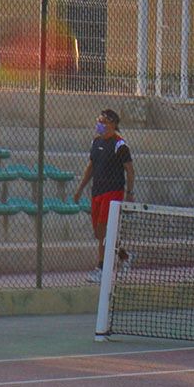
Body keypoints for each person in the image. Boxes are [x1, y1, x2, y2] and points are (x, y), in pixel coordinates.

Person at [73, 107, 135, 283]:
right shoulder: (96, 142)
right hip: (97, 192)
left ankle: (101, 269)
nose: (99, 125)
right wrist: (80, 189)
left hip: (113, 192)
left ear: (113, 125)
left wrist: (130, 193)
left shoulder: (120, 145)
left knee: (103, 230)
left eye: (103, 122)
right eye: (98, 121)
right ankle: (125, 256)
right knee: (100, 234)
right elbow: (90, 167)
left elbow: (130, 171)